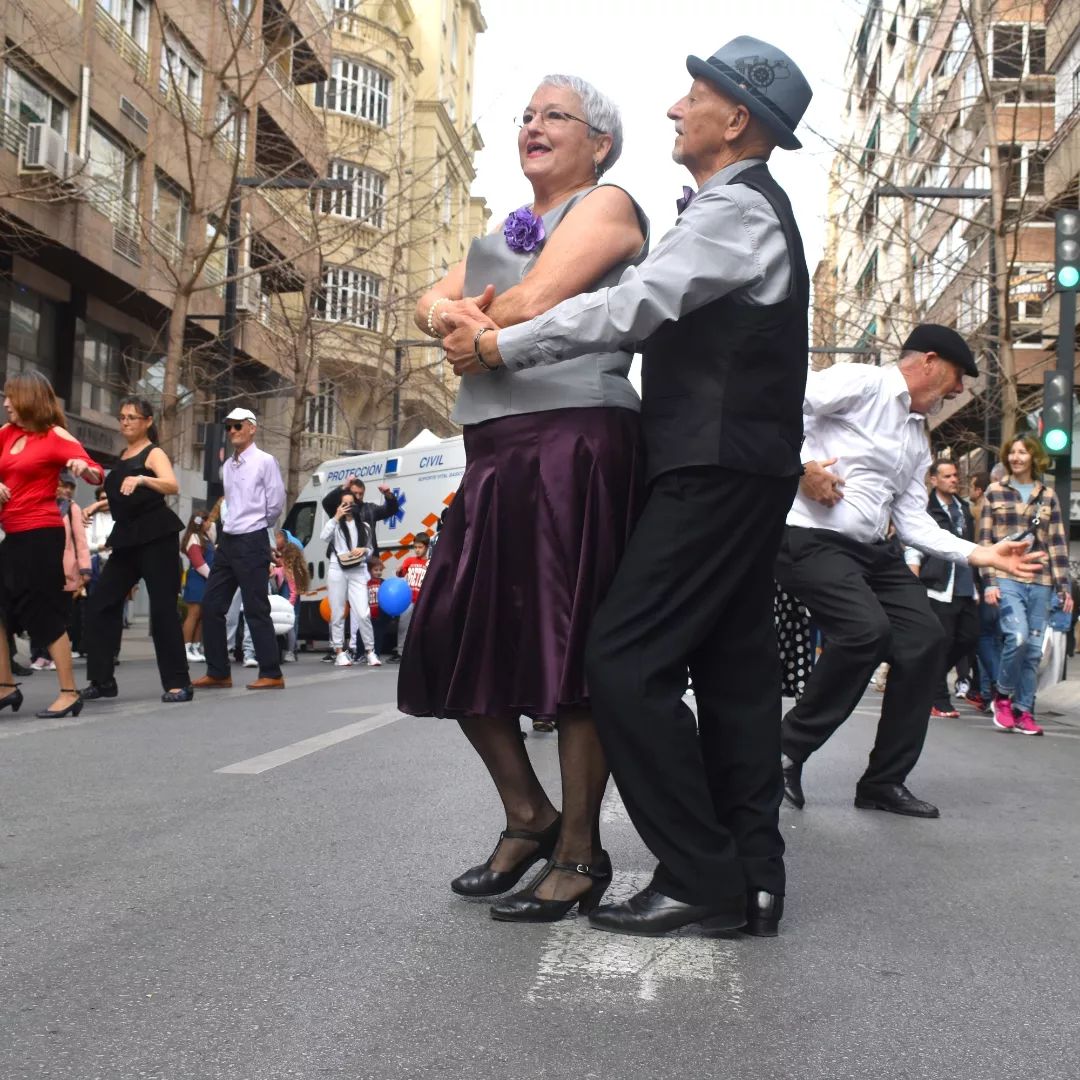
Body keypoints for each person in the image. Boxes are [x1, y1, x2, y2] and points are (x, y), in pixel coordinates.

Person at [441, 40, 812, 938]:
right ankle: (751, 877)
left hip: (715, 464)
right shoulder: (729, 208)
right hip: (727, 459)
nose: (676, 111)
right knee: (731, 672)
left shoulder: (737, 211)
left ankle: (699, 871)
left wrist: (501, 344)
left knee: (623, 661)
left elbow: (633, 305)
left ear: (737, 118)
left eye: (694, 98)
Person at [400, 71, 649, 925]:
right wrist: (449, 312)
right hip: (494, 450)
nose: (534, 126)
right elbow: (432, 297)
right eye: (528, 114)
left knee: (571, 648)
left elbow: (536, 301)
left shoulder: (609, 206)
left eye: (557, 116)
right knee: (450, 631)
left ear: (600, 142)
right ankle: (527, 815)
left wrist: (468, 319)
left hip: (576, 443)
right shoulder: (502, 228)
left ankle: (580, 847)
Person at [777, 326, 1049, 821]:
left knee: (925, 640)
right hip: (809, 537)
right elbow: (776, 405)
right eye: (957, 377)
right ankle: (785, 751)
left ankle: (883, 781)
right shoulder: (863, 382)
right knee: (865, 632)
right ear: (928, 362)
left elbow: (913, 519)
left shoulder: (915, 437)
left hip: (875, 550)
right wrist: (800, 467)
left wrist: (979, 554)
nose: (960, 391)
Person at [0, 371, 104, 718]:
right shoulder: (6, 435)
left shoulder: (54, 436)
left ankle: (69, 692)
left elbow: (95, 471)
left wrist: (82, 467)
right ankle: (5, 686)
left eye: (10, 397)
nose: (5, 404)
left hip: (42, 536)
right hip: (13, 536)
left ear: (28, 398)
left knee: (42, 613)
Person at [77, 398, 190, 703]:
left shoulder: (153, 453)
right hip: (127, 539)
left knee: (163, 609)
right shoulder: (123, 455)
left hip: (156, 537)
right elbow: (126, 495)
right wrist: (99, 504)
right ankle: (102, 681)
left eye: (132, 417)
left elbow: (171, 484)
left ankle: (179, 683)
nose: (125, 422)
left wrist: (142, 478)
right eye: (122, 417)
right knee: (101, 603)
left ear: (148, 422)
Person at [979, 434, 1072, 736]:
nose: (1017, 457)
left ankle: (1024, 710)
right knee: (1016, 637)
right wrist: (989, 582)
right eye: (1013, 452)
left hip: (1041, 580)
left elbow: (1057, 543)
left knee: (1033, 650)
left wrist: (1064, 588)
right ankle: (1003, 696)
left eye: (1024, 452)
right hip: (1007, 577)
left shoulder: (1047, 495)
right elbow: (984, 542)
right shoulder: (994, 492)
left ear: (1034, 457)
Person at [194, 407, 287, 691]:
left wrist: (259, 528)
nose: (232, 431)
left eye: (237, 426)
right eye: (229, 427)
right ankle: (219, 671)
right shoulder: (227, 467)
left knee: (256, 607)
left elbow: (275, 502)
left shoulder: (264, 461)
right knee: (211, 605)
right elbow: (230, 503)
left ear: (252, 428)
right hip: (229, 540)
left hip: (252, 538)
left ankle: (271, 673)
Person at [904, 459, 979, 719]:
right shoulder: (925, 508)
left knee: (969, 638)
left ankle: (929, 680)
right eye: (947, 476)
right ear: (934, 480)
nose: (953, 479)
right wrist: (914, 585)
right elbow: (913, 547)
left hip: (965, 586)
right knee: (942, 643)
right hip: (938, 586)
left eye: (955, 475)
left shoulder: (964, 508)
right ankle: (938, 699)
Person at [319, 492, 380, 667]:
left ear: (356, 505)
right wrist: (336, 517)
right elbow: (323, 537)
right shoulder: (336, 525)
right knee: (337, 612)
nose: (348, 507)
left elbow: (370, 550)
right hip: (337, 568)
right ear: (339, 506)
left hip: (358, 569)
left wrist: (363, 551)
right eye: (344, 504)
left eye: (351, 503)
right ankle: (339, 651)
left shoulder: (365, 526)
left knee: (363, 612)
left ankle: (370, 651)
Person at [181, 512, 214, 662]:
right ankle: (186, 646)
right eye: (208, 522)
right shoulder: (194, 538)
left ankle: (195, 645)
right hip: (198, 579)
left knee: (201, 615)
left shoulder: (205, 537)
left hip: (205, 580)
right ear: (202, 522)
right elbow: (198, 562)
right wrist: (212, 577)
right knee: (193, 614)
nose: (210, 524)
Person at [273, 540, 309, 663]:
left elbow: (294, 591)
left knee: (289, 628)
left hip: (288, 603)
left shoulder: (289, 571)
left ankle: (290, 652)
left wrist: (289, 604)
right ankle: (292, 651)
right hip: (293, 603)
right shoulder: (292, 569)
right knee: (292, 627)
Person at [395, 535, 429, 658]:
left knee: (421, 627)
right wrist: (399, 570)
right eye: (415, 547)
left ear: (426, 547)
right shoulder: (409, 561)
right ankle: (401, 652)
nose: (417, 550)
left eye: (420, 547)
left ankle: (419, 652)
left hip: (422, 600)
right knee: (404, 626)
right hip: (408, 600)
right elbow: (400, 574)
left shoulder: (430, 562)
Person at [366, 558, 397, 657]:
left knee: (379, 636)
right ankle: (366, 653)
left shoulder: (383, 583)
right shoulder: (366, 583)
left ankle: (377, 654)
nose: (378, 572)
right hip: (369, 614)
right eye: (376, 570)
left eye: (380, 570)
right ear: (369, 571)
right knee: (369, 635)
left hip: (380, 615)